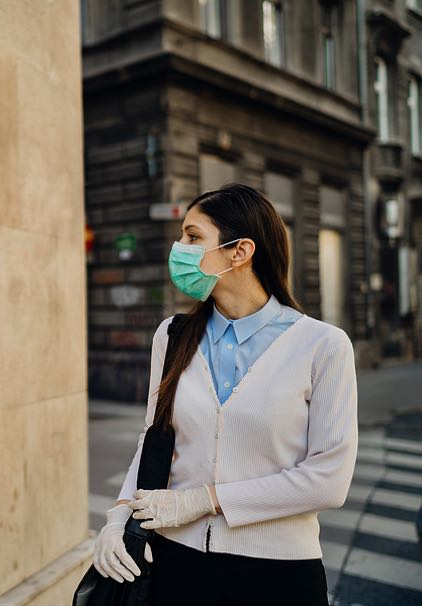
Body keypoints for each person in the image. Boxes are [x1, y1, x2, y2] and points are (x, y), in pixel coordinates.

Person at [92, 183, 358, 605]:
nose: (179, 247)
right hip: (174, 563)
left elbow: (328, 481)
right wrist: (120, 513)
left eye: (193, 236)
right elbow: (153, 438)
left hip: (278, 573)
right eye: (182, 236)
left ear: (240, 251)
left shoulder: (323, 346)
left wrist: (205, 501)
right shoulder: (173, 335)